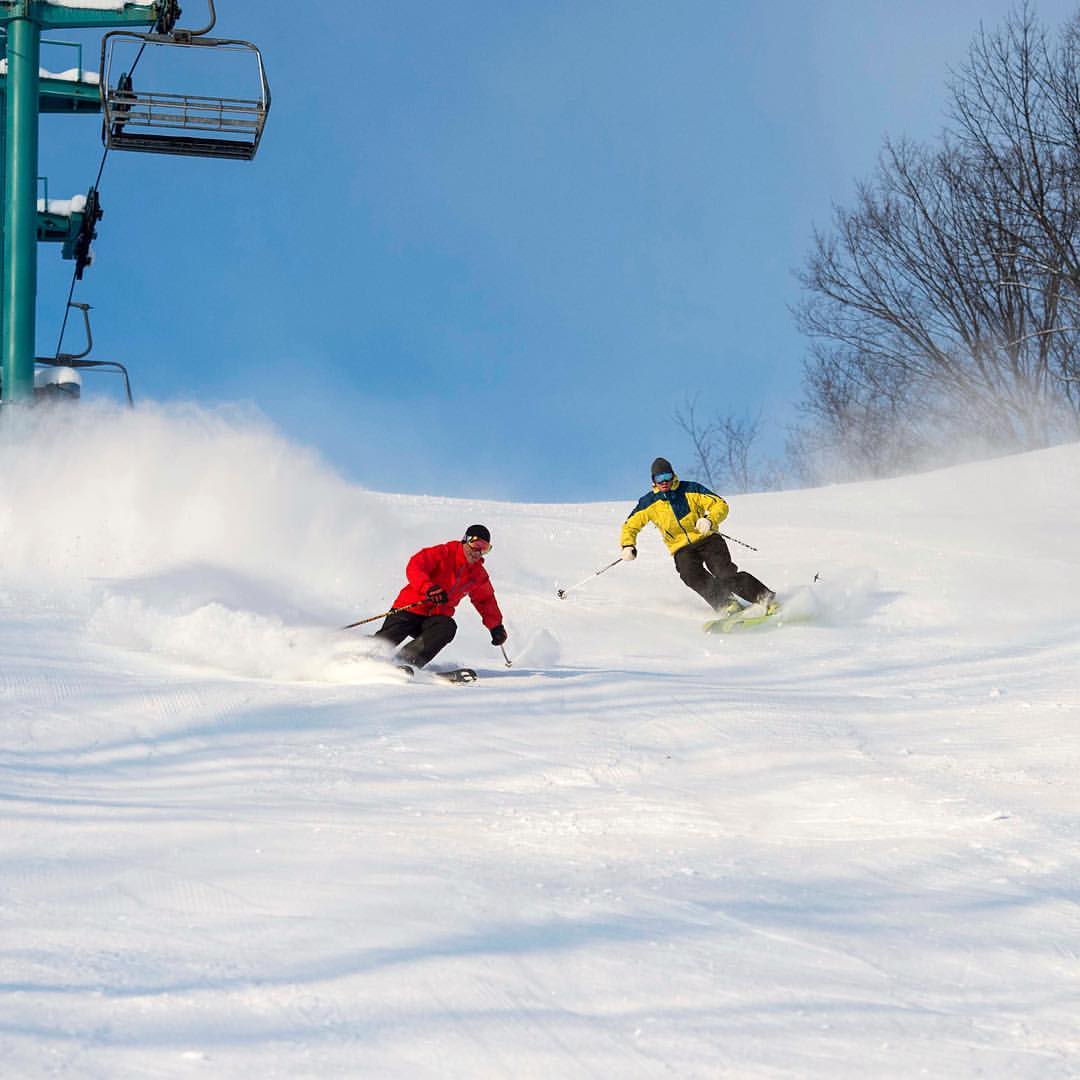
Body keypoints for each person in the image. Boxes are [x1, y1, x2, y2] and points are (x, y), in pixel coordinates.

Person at [620, 457, 776, 616]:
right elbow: (630, 526)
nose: (664, 481)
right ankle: (727, 604)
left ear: (673, 475)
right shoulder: (649, 503)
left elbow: (720, 504)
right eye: (660, 478)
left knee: (724, 573)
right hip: (682, 549)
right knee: (691, 575)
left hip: (708, 540)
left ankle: (765, 598)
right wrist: (628, 545)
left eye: (667, 476)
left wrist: (709, 520)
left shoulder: (690, 489)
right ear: (653, 480)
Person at [375, 525, 507, 668]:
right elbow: (416, 565)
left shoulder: (478, 574)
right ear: (465, 540)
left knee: (447, 627)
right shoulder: (444, 553)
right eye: (476, 544)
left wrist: (496, 627)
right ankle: (363, 656)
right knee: (384, 643)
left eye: (484, 548)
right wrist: (428, 588)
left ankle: (406, 662)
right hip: (410, 609)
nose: (478, 552)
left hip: (434, 619)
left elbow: (485, 600)